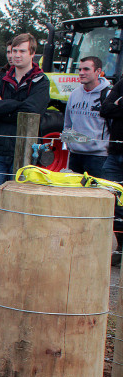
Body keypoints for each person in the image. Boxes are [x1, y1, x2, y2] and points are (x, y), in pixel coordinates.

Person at [0, 33, 50, 189]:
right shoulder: (1, 80)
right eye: (14, 51)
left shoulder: (41, 81)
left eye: (22, 51)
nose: (16, 55)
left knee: (16, 201)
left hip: (24, 152)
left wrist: (4, 105)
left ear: (32, 53)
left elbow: (32, 112)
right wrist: (17, 105)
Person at [63, 56, 110, 178]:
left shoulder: (108, 95)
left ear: (98, 71)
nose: (81, 73)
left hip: (98, 157)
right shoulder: (74, 94)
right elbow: (68, 123)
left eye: (86, 69)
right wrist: (69, 145)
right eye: (80, 69)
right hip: (75, 155)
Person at [99, 74, 123, 264]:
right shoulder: (122, 82)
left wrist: (119, 105)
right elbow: (105, 109)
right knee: (111, 201)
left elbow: (113, 108)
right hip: (115, 153)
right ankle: (120, 247)